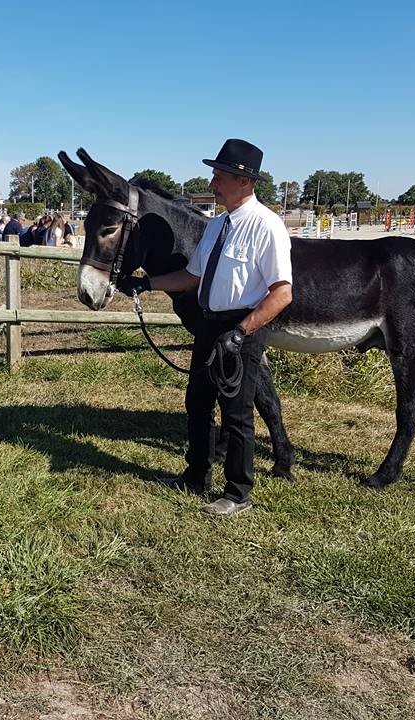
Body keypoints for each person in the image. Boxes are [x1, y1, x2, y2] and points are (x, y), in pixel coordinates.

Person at [118, 139, 293, 516]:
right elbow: (191, 276)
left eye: (219, 177)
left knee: (237, 411)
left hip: (241, 327)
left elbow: (282, 293)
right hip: (209, 325)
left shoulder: (267, 226)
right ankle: (196, 475)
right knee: (197, 403)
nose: (212, 184)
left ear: (243, 181)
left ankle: (238, 492)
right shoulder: (216, 227)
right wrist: (145, 284)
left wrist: (242, 332)